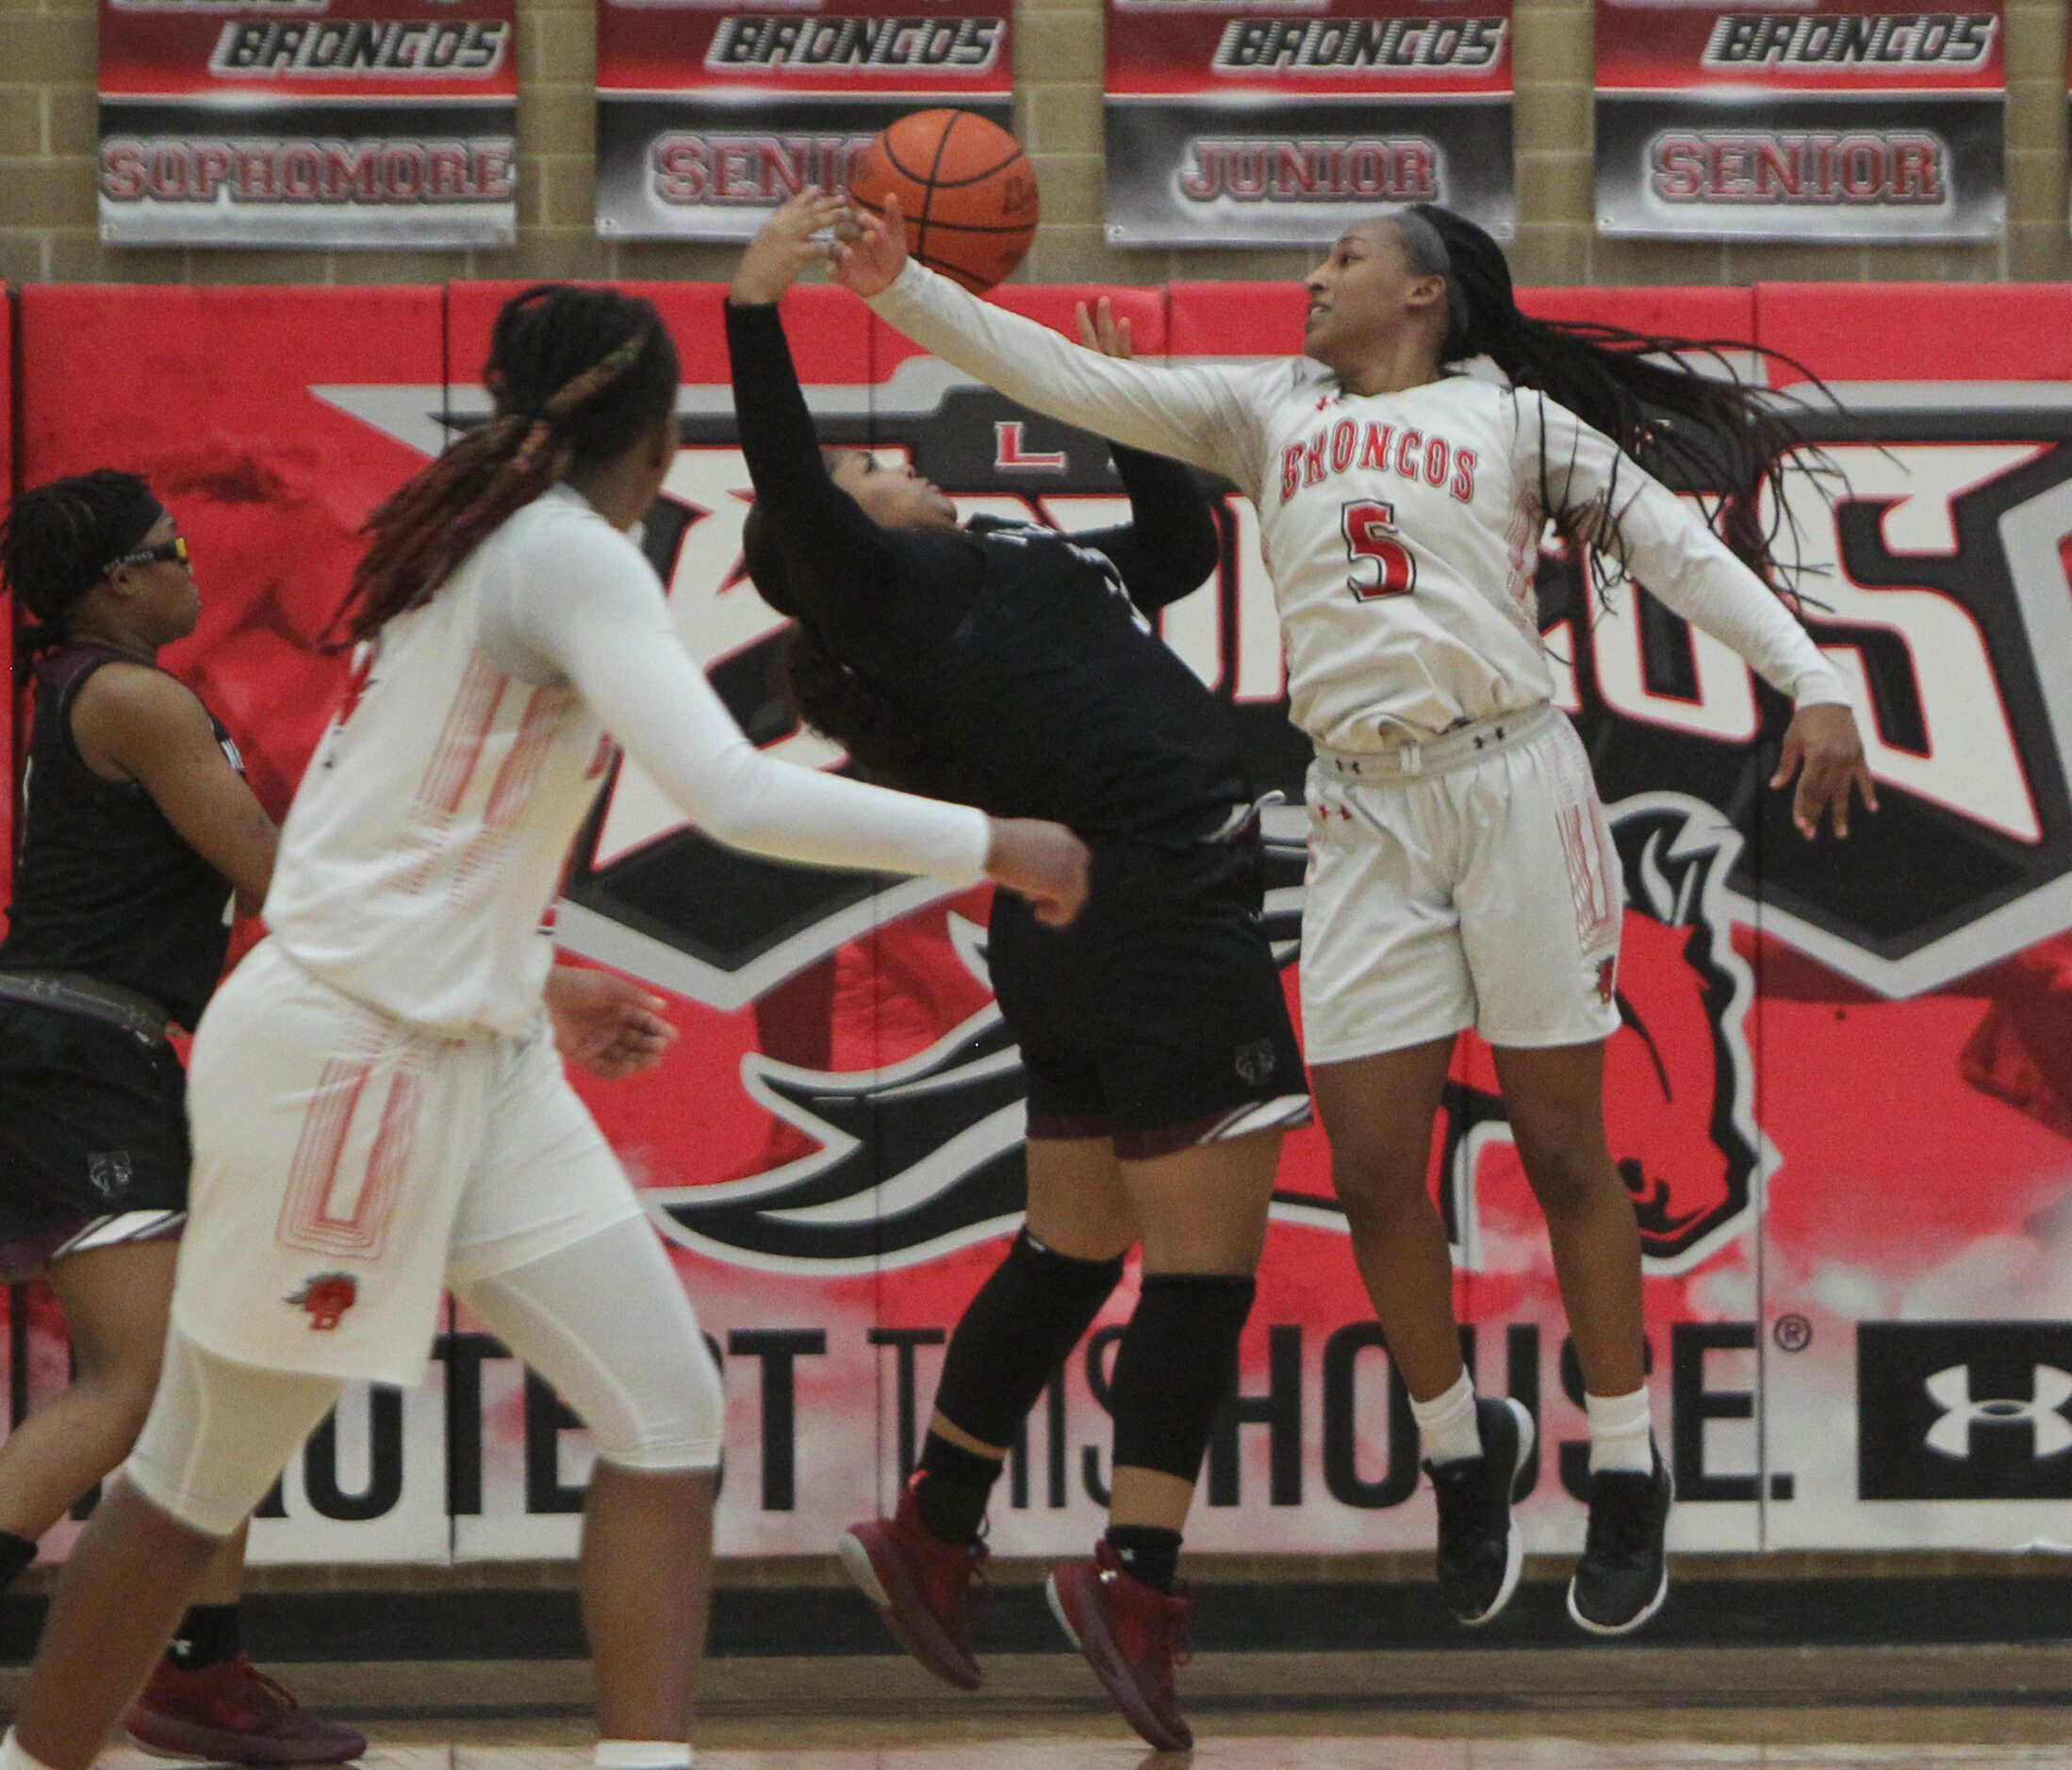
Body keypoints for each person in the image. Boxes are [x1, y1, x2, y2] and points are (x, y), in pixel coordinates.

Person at [0, 282, 1087, 1770]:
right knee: (191, 1471)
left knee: (664, 1413)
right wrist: (996, 841)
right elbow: (731, 787)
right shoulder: (560, 556)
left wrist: (531, 980)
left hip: (469, 1039)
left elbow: (414, 838)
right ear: (651, 439)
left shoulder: (470, 538)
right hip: (349, 1055)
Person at [834, 199, 1875, 1638]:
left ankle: (1626, 1466)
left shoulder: (1515, 422)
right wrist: (907, 294)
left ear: (1424, 293)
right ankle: (1461, 1453)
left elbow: (1681, 553)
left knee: (1570, 1146)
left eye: (1343, 258)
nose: (1313, 275)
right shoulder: (1271, 408)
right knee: (1382, 1170)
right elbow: (1065, 379)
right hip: (1359, 806)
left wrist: (1811, 680)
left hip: (1512, 783)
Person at [727, 193, 1309, 1752]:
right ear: (837, 537)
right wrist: (753, 306)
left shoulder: (1008, 561)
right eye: (863, 473)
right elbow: (791, 479)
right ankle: (1135, 1576)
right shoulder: (893, 599)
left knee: (1070, 1252)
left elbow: (1179, 548)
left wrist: (1123, 417)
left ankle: (934, 1524)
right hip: (1162, 901)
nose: (884, 464)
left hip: (1080, 936)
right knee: (1202, 1269)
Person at [0, 471, 362, 1763]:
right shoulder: (138, 698)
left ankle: (204, 1671)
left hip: (84, 1043)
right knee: (134, 1379)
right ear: (114, 583)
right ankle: (187, 1673)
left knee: (203, 1368)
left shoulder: (75, 691)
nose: (189, 565)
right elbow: (270, 872)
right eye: (171, 550)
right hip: (81, 1048)